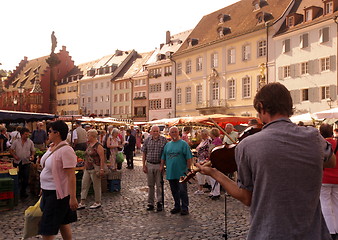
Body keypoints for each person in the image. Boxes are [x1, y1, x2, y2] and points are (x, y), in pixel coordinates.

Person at [197, 82, 336, 240]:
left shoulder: (248, 145)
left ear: (261, 107)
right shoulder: (313, 137)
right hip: (313, 234)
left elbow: (246, 197)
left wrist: (214, 173)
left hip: (270, 233)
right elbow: (332, 162)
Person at [39, 120, 77, 239]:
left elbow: (71, 175)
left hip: (57, 194)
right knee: (63, 223)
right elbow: (47, 170)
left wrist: (73, 197)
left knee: (47, 228)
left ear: (57, 133)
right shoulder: (51, 147)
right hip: (48, 191)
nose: (48, 133)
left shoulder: (66, 150)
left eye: (49, 131)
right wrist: (42, 187)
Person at [160, 126, 193, 215]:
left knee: (182, 190)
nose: (174, 134)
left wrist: (189, 169)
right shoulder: (167, 145)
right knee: (174, 190)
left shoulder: (183, 144)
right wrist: (162, 166)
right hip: (171, 172)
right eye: (172, 132)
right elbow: (163, 157)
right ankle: (177, 206)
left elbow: (189, 158)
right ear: (169, 134)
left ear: (178, 133)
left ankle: (185, 207)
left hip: (181, 172)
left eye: (175, 132)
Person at [78, 129, 106, 210]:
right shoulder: (89, 145)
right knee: (84, 184)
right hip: (87, 168)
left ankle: (98, 201)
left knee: (96, 185)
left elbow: (102, 158)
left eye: (88, 135)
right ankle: (82, 202)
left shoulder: (98, 146)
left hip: (95, 168)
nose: (87, 136)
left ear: (93, 136)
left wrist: (101, 169)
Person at [142, 125, 167, 211]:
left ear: (159, 132)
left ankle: (159, 202)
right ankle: (150, 203)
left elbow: (165, 154)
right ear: (151, 132)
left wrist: (162, 165)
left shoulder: (163, 140)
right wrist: (143, 165)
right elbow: (144, 153)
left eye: (157, 131)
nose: (155, 133)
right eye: (154, 131)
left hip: (159, 165)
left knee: (159, 185)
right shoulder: (147, 140)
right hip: (149, 164)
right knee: (150, 185)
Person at [319, 124, 338, 240]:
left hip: (324, 178)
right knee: (337, 203)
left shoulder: (321, 145)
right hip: (337, 178)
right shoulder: (336, 143)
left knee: (325, 203)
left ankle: (331, 230)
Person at [10, 127, 35, 198]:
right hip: (17, 162)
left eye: (28, 134)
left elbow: (33, 150)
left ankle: (23, 192)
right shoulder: (16, 142)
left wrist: (32, 155)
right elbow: (11, 150)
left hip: (26, 162)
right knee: (17, 178)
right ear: (21, 134)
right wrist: (15, 156)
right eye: (25, 134)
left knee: (26, 178)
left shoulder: (30, 142)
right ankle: (16, 193)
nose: (27, 136)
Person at [194, 129, 211, 195]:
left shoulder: (208, 141)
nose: (200, 135)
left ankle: (211, 189)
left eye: (201, 134)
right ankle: (200, 189)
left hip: (204, 160)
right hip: (200, 159)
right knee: (200, 175)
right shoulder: (203, 141)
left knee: (206, 174)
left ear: (205, 134)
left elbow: (209, 150)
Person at [207, 128, 223, 200]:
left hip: (215, 160)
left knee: (214, 177)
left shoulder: (217, 141)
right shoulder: (215, 140)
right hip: (213, 159)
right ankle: (214, 191)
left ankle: (216, 193)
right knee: (212, 177)